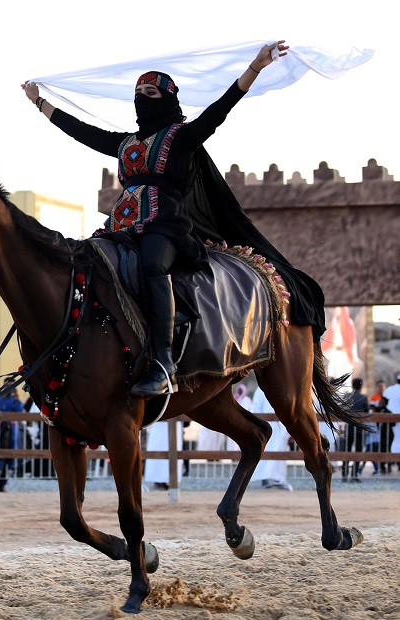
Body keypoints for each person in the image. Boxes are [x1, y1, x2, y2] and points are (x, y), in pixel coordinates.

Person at [22, 40, 326, 397]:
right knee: (88, 264)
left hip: (165, 224)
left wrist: (255, 68)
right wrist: (40, 103)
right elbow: (81, 131)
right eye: (138, 92)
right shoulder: (125, 143)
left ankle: (164, 363)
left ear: (167, 98)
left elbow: (221, 108)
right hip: (120, 225)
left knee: (153, 264)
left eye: (150, 91)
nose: (142, 97)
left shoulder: (182, 137)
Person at [249, 385, 293, 490]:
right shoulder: (260, 390)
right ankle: (265, 478)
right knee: (266, 453)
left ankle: (278, 478)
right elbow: (256, 407)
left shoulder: (281, 386)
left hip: (280, 427)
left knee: (280, 452)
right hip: (267, 426)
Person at [0, 388, 24, 492]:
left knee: (12, 458)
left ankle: (3, 483)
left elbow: (19, 410)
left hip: (13, 431)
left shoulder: (15, 400)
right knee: (0, 456)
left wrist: (16, 399)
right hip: (1, 431)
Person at [340, 378, 368, 481]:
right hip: (359, 427)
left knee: (346, 449)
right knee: (358, 449)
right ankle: (354, 474)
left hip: (348, 426)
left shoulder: (347, 396)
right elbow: (367, 411)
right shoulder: (363, 398)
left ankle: (344, 474)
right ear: (361, 386)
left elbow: (342, 409)